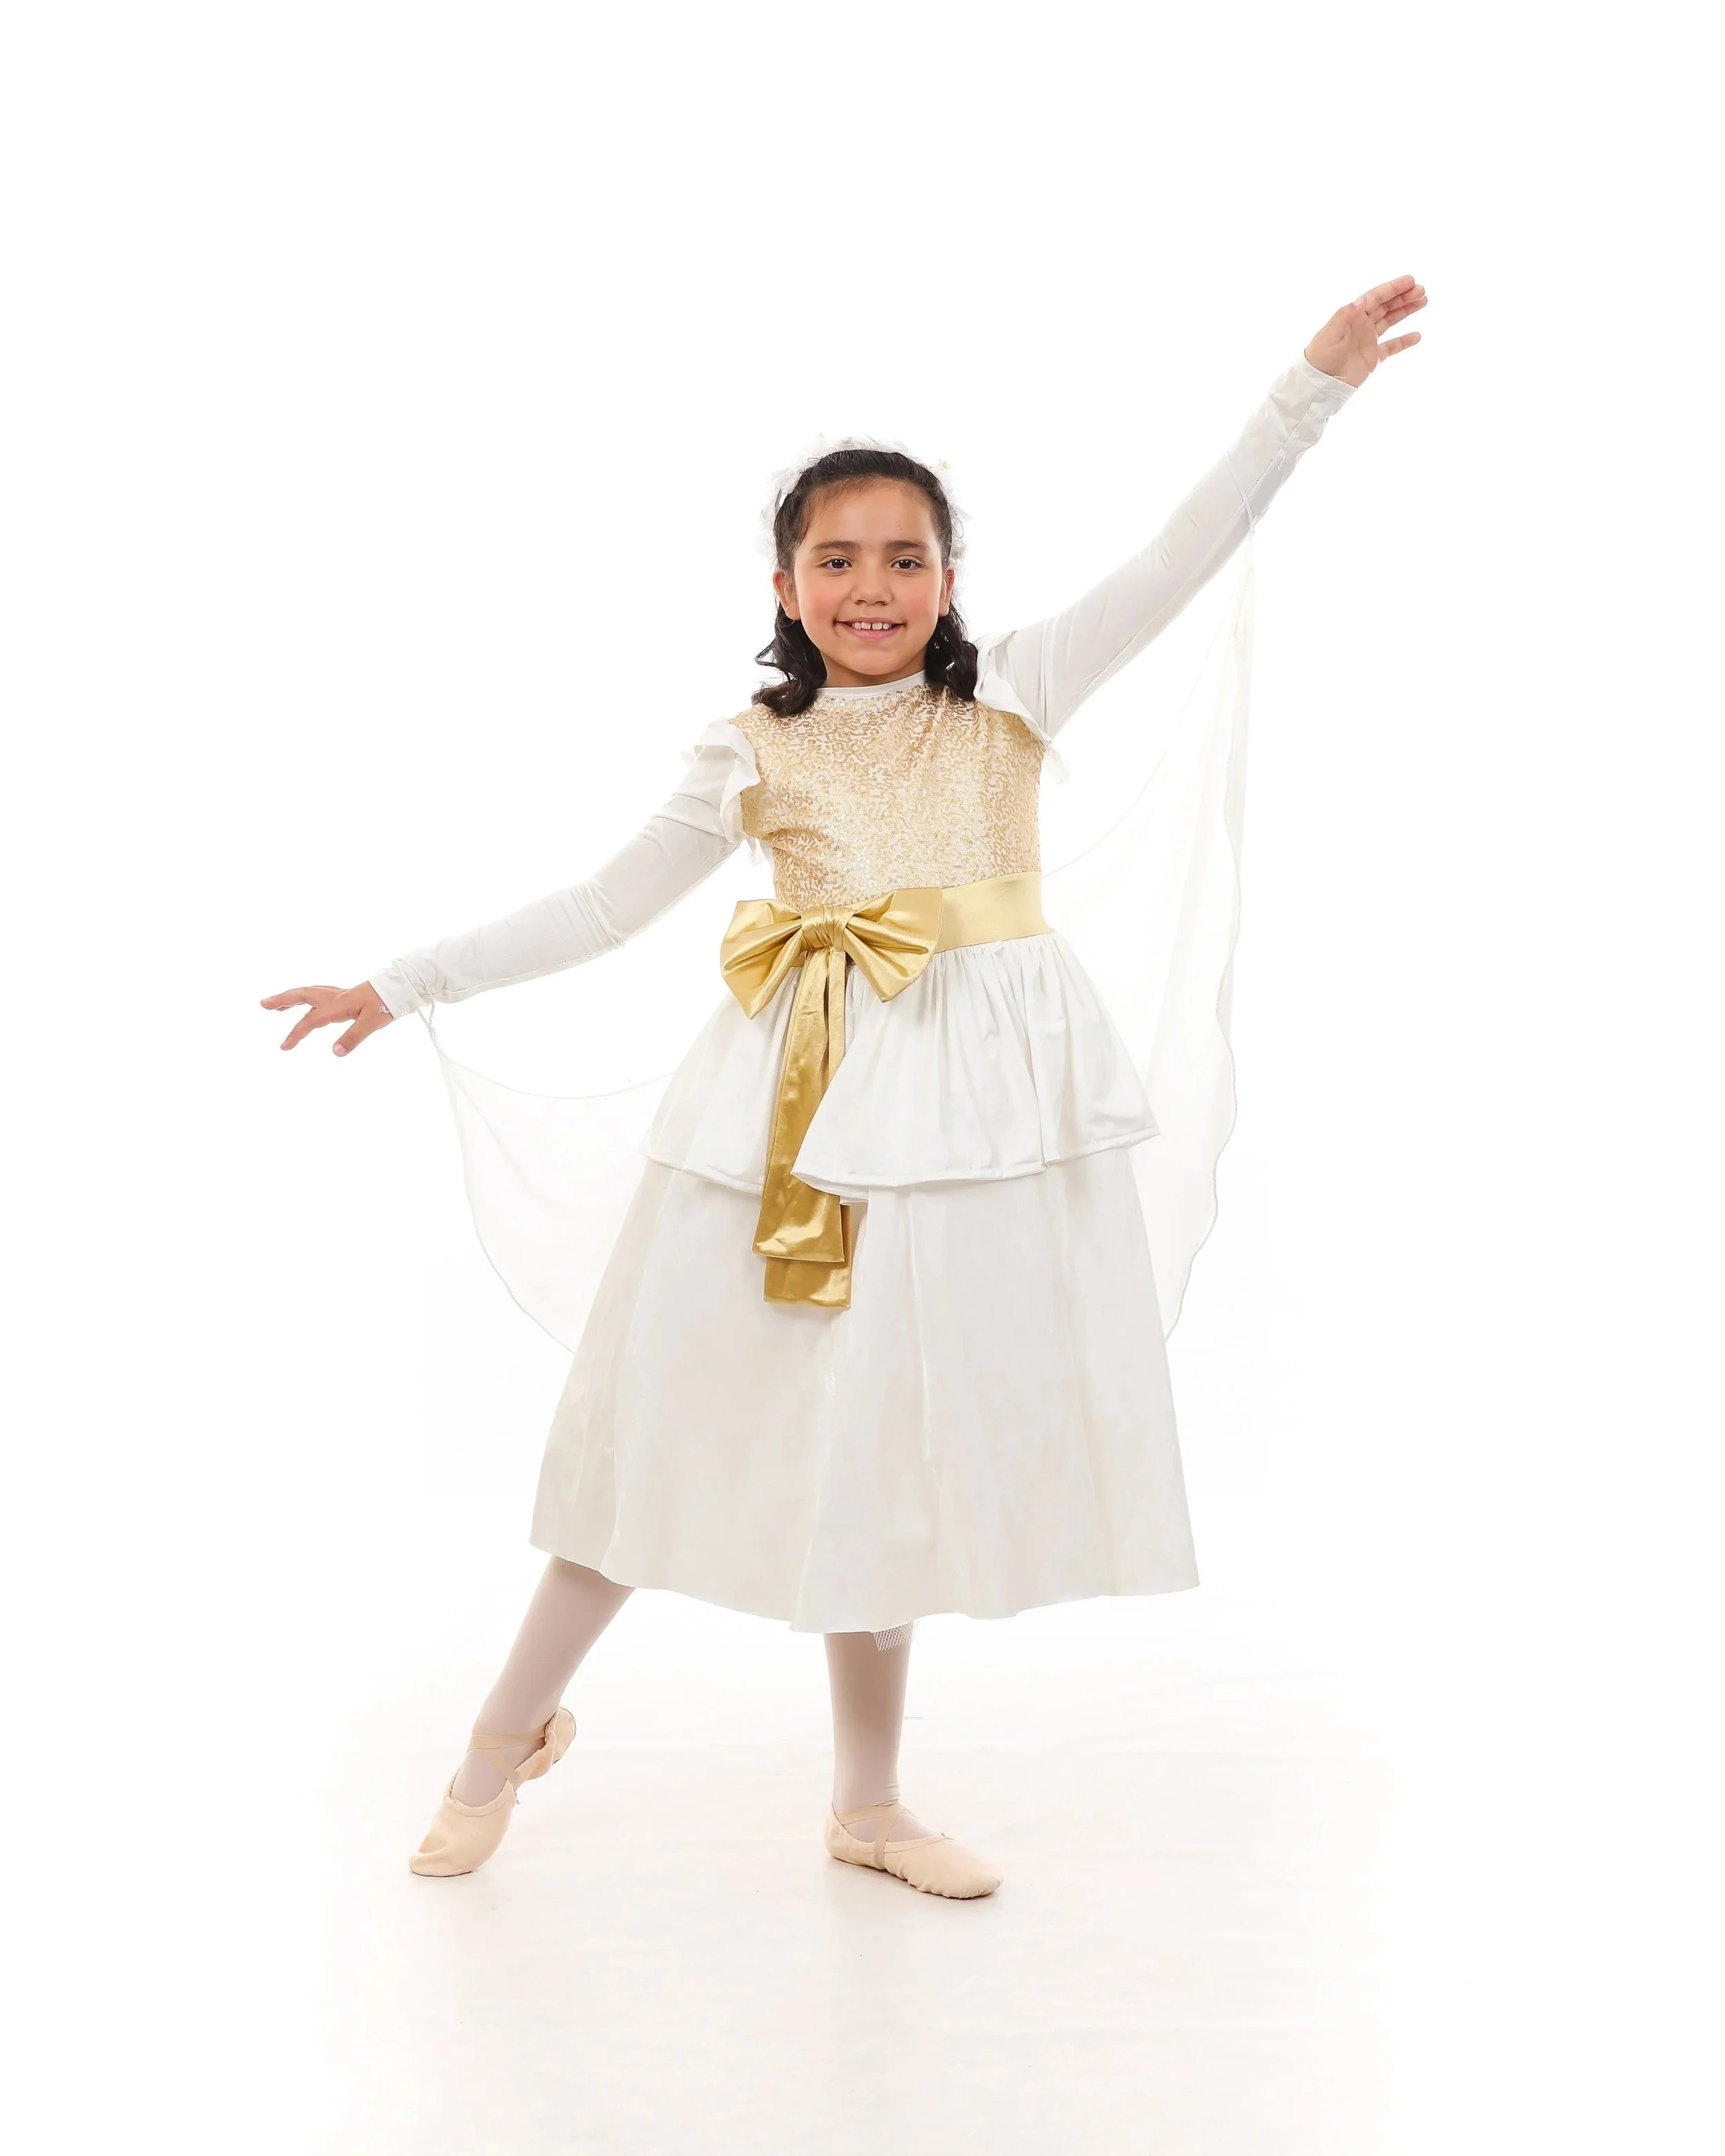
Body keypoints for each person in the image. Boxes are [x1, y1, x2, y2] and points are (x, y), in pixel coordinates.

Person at [264, 276, 1426, 1900]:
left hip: (966, 1133)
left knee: (885, 1443)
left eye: (903, 557)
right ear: (784, 582)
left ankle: (868, 1802)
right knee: (654, 1423)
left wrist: (1308, 389)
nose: (871, 585)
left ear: (950, 579)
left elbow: (1187, 544)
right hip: (781, 1124)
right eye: (836, 558)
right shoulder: (749, 746)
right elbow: (602, 905)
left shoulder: (1013, 687)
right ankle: (498, 1737)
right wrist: (404, 980)